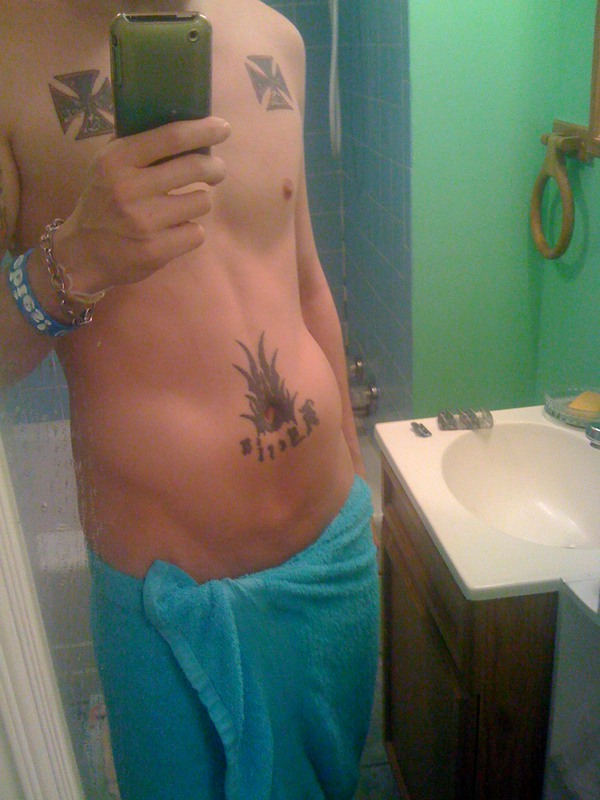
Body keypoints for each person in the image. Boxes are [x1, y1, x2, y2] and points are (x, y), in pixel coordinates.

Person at [0, 1, 380, 798]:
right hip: (170, 609)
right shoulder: (8, 54)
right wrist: (73, 259)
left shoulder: (278, 39)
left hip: (332, 554)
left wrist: (354, 472)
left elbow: (306, 278)